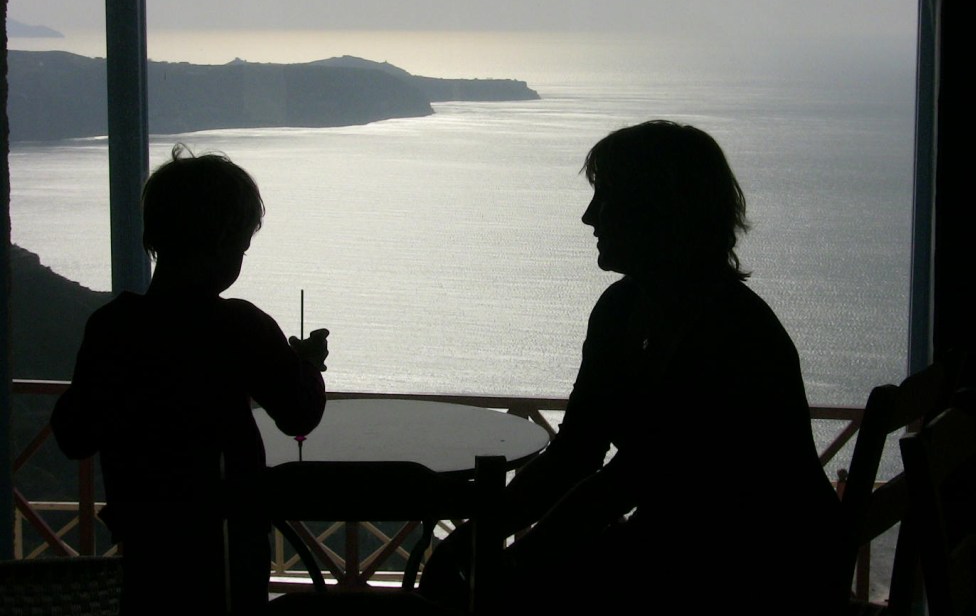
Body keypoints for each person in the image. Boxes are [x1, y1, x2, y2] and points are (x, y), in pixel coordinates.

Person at [422, 120, 846, 614]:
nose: (589, 217)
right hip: (684, 548)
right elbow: (578, 454)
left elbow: (627, 479)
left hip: (764, 569)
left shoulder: (729, 332)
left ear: (659, 210)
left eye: (606, 197)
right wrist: (475, 540)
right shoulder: (623, 309)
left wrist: (510, 559)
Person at [51, 145, 329, 615]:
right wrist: (308, 365)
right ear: (221, 242)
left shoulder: (112, 328)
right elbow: (299, 414)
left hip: (147, 545)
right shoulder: (239, 326)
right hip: (227, 545)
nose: (240, 257)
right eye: (241, 246)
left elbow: (73, 435)